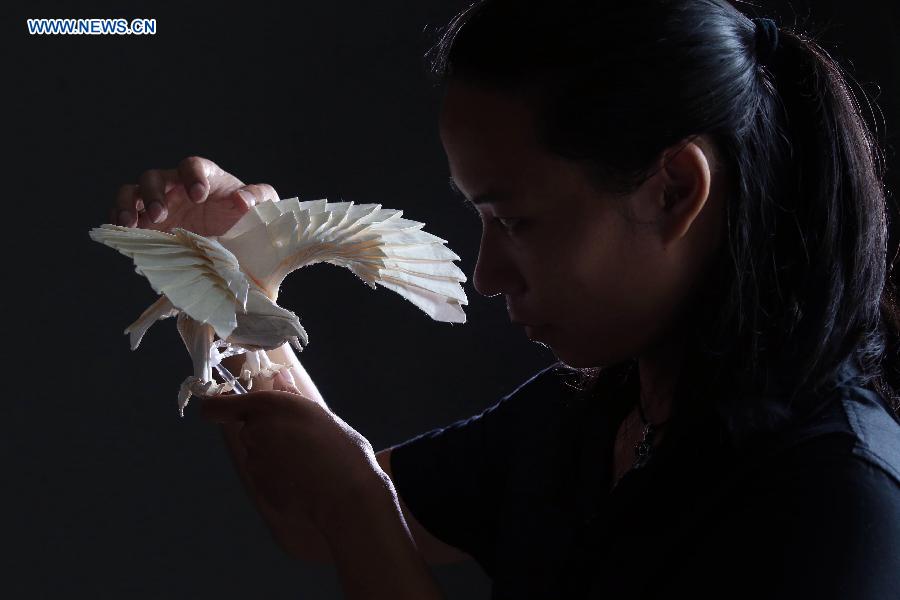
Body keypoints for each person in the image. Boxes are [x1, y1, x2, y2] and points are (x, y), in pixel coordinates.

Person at [107, 1, 900, 598]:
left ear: (674, 191)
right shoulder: (596, 416)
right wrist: (232, 282)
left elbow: (346, 509)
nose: (487, 275)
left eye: (515, 219)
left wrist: (359, 503)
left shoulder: (837, 503)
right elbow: (307, 516)